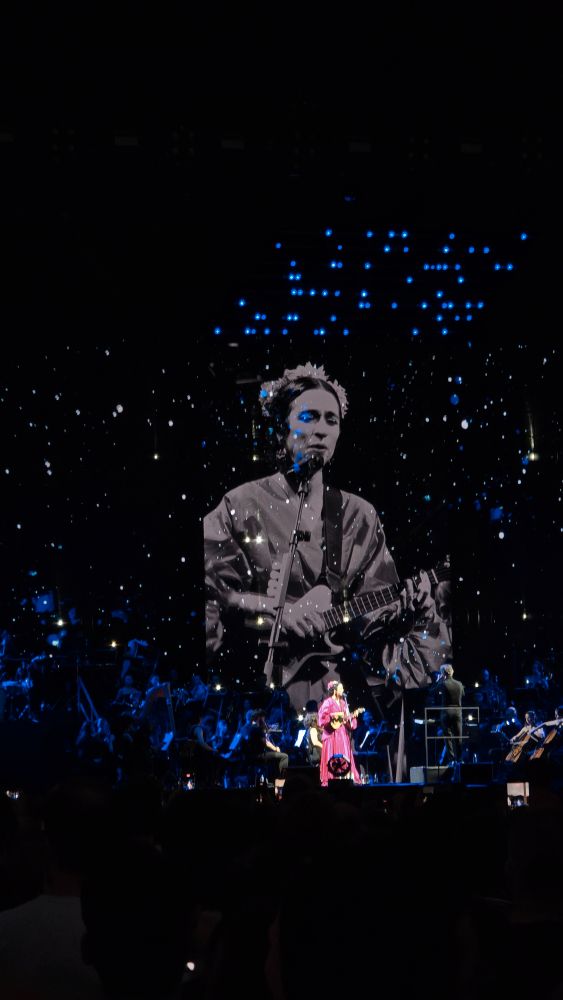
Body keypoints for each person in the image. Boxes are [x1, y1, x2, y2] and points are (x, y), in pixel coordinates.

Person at [204, 362, 451, 716]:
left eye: (331, 420)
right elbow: (212, 595)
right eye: (309, 417)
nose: (321, 429)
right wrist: (275, 613)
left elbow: (374, 624)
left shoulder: (359, 515)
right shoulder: (239, 505)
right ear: (281, 428)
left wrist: (407, 614)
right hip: (251, 693)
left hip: (337, 696)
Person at [318, 680, 362, 786]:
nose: (343, 690)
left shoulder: (343, 703)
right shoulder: (328, 702)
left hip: (342, 735)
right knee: (332, 756)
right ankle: (330, 778)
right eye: (340, 688)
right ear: (334, 690)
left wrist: (351, 717)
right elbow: (322, 717)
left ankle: (346, 777)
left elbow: (347, 719)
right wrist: (334, 717)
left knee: (344, 755)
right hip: (331, 734)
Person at [240, 708, 288, 795]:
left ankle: (272, 782)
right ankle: (280, 786)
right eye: (263, 718)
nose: (264, 720)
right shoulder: (257, 729)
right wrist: (275, 748)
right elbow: (265, 742)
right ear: (259, 718)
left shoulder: (248, 728)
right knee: (284, 757)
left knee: (274, 759)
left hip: (250, 757)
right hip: (259, 756)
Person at [436, 663, 464, 765]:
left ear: (443, 673)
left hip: (446, 713)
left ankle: (452, 760)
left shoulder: (442, 684)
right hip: (457, 713)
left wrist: (438, 681)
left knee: (448, 737)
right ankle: (459, 760)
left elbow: (433, 692)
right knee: (458, 737)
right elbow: (462, 695)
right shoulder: (459, 684)